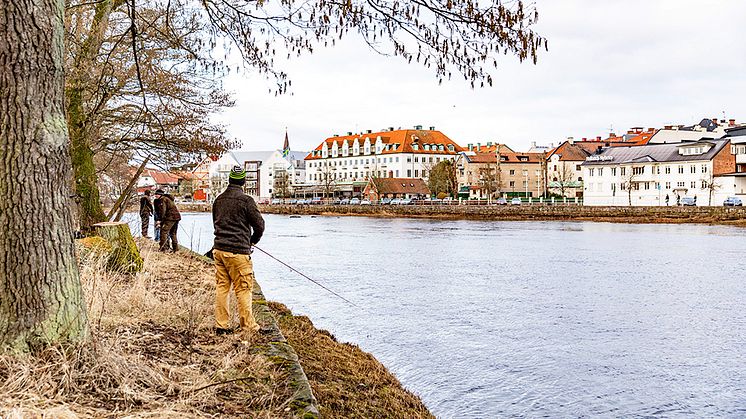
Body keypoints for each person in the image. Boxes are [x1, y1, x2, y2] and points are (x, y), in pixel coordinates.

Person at [212, 166, 265, 335]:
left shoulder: (218, 200)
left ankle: (222, 325)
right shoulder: (246, 201)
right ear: (243, 181)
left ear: (229, 180)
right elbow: (260, 225)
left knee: (222, 287)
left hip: (219, 249)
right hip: (238, 252)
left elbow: (216, 222)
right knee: (243, 288)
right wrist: (252, 241)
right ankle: (248, 326)